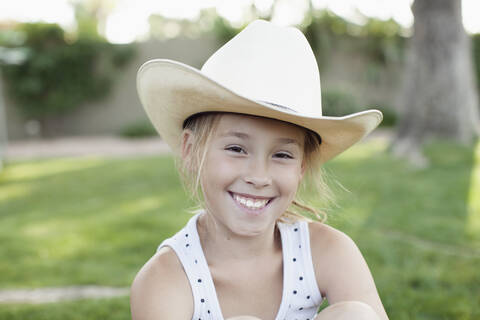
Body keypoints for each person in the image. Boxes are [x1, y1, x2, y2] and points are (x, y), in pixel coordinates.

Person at [131, 19, 389, 320]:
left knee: (356, 315)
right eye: (236, 149)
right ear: (190, 149)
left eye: (281, 155)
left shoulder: (327, 250)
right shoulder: (167, 279)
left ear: (301, 167)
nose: (258, 176)